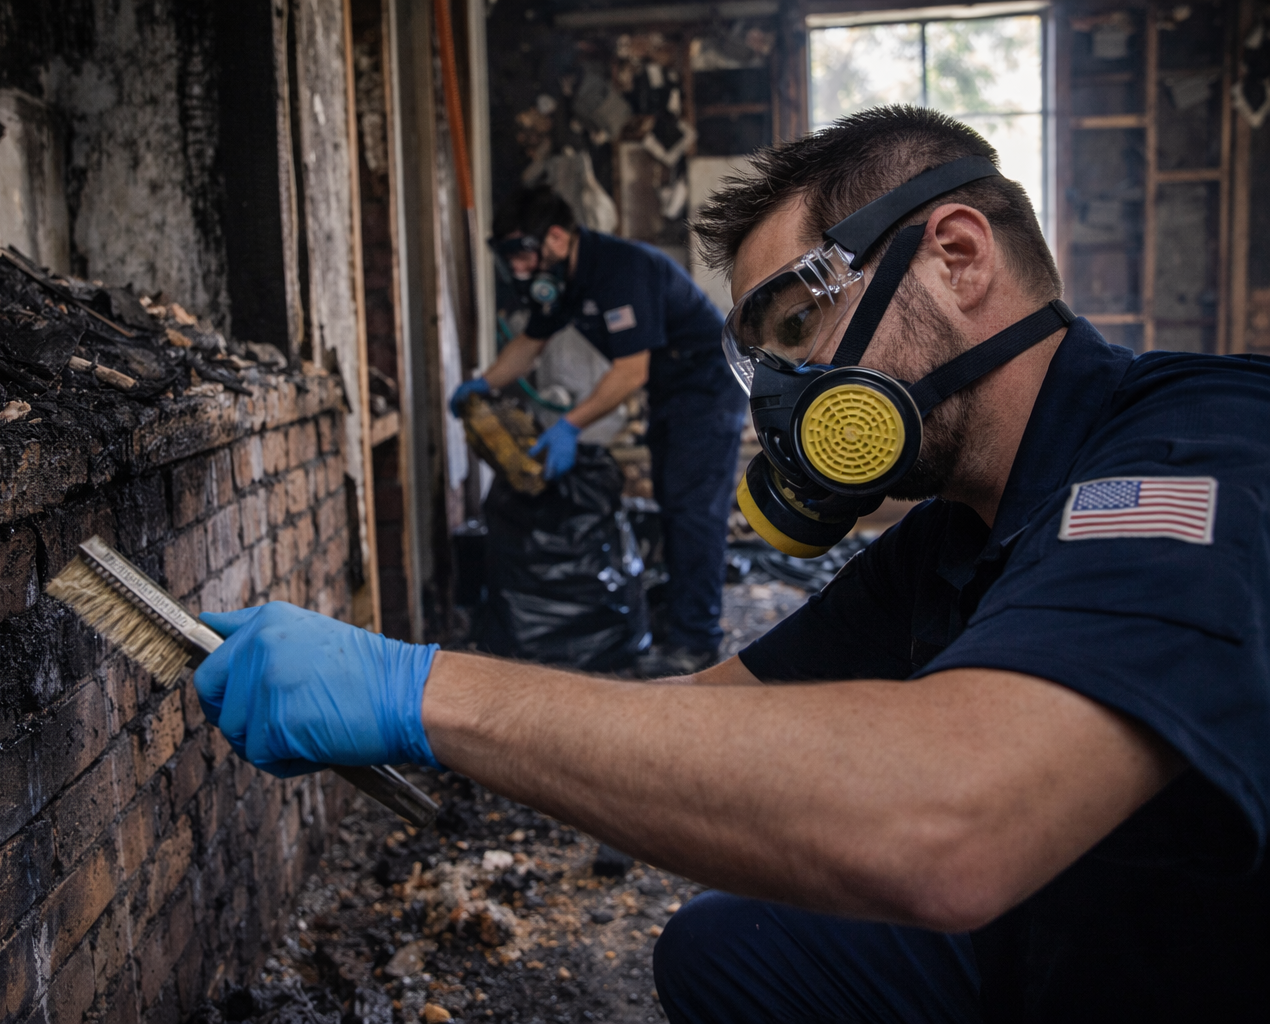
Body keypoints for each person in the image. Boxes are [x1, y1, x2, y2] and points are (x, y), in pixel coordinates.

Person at [191, 106, 1270, 1020]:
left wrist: (427, 693)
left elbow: (953, 823)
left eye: (802, 324)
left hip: (1185, 969)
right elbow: (707, 712)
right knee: (723, 947)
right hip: (1056, 940)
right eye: (771, 354)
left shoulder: (1203, 447)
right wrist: (412, 724)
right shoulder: (950, 532)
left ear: (957, 254)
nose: (791, 391)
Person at [450, 186, 748, 677]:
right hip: (671, 390)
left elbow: (630, 373)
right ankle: (682, 620)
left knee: (693, 510)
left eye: (523, 253)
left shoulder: (621, 270)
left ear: (558, 238)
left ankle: (696, 641)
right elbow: (530, 343)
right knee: (675, 504)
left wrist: (569, 425)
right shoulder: (565, 279)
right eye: (511, 258)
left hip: (708, 385)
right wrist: (482, 382)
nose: (520, 269)